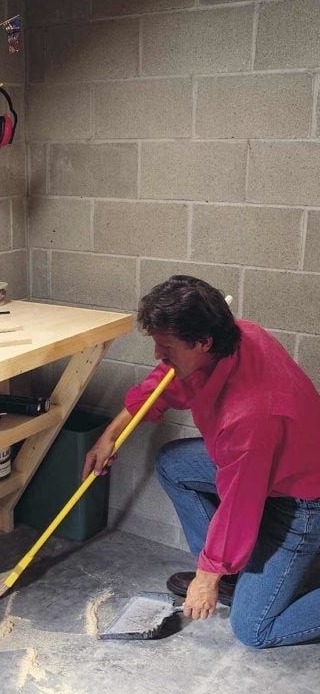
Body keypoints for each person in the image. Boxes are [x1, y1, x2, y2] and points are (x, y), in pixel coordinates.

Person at [82, 275, 320, 648]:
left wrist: (206, 577)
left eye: (167, 347)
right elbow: (166, 380)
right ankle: (231, 573)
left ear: (203, 342)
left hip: (302, 503)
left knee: (254, 631)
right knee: (174, 465)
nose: (158, 355)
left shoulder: (251, 414)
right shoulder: (231, 337)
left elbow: (240, 503)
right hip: (267, 469)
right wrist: (110, 434)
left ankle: (223, 573)